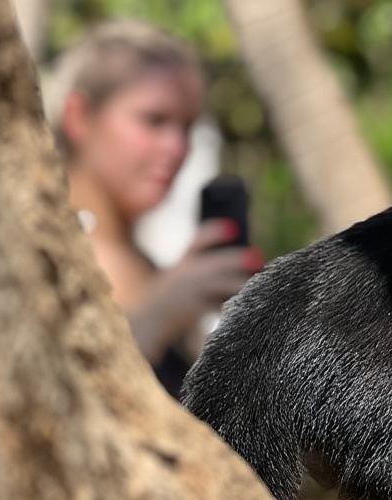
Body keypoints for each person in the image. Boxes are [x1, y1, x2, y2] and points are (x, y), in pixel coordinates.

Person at [45, 19, 261, 396]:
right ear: (79, 116)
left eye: (188, 127)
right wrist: (157, 317)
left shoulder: (154, 268)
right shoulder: (42, 254)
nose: (177, 148)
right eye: (154, 120)